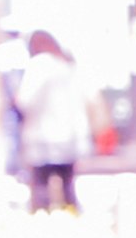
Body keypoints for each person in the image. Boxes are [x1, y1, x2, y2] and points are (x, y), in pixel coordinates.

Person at [14, 30, 92, 213]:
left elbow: (24, 100)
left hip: (43, 136)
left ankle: (43, 223)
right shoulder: (68, 65)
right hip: (68, 138)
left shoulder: (38, 66)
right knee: (67, 186)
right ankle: (71, 220)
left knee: (41, 188)